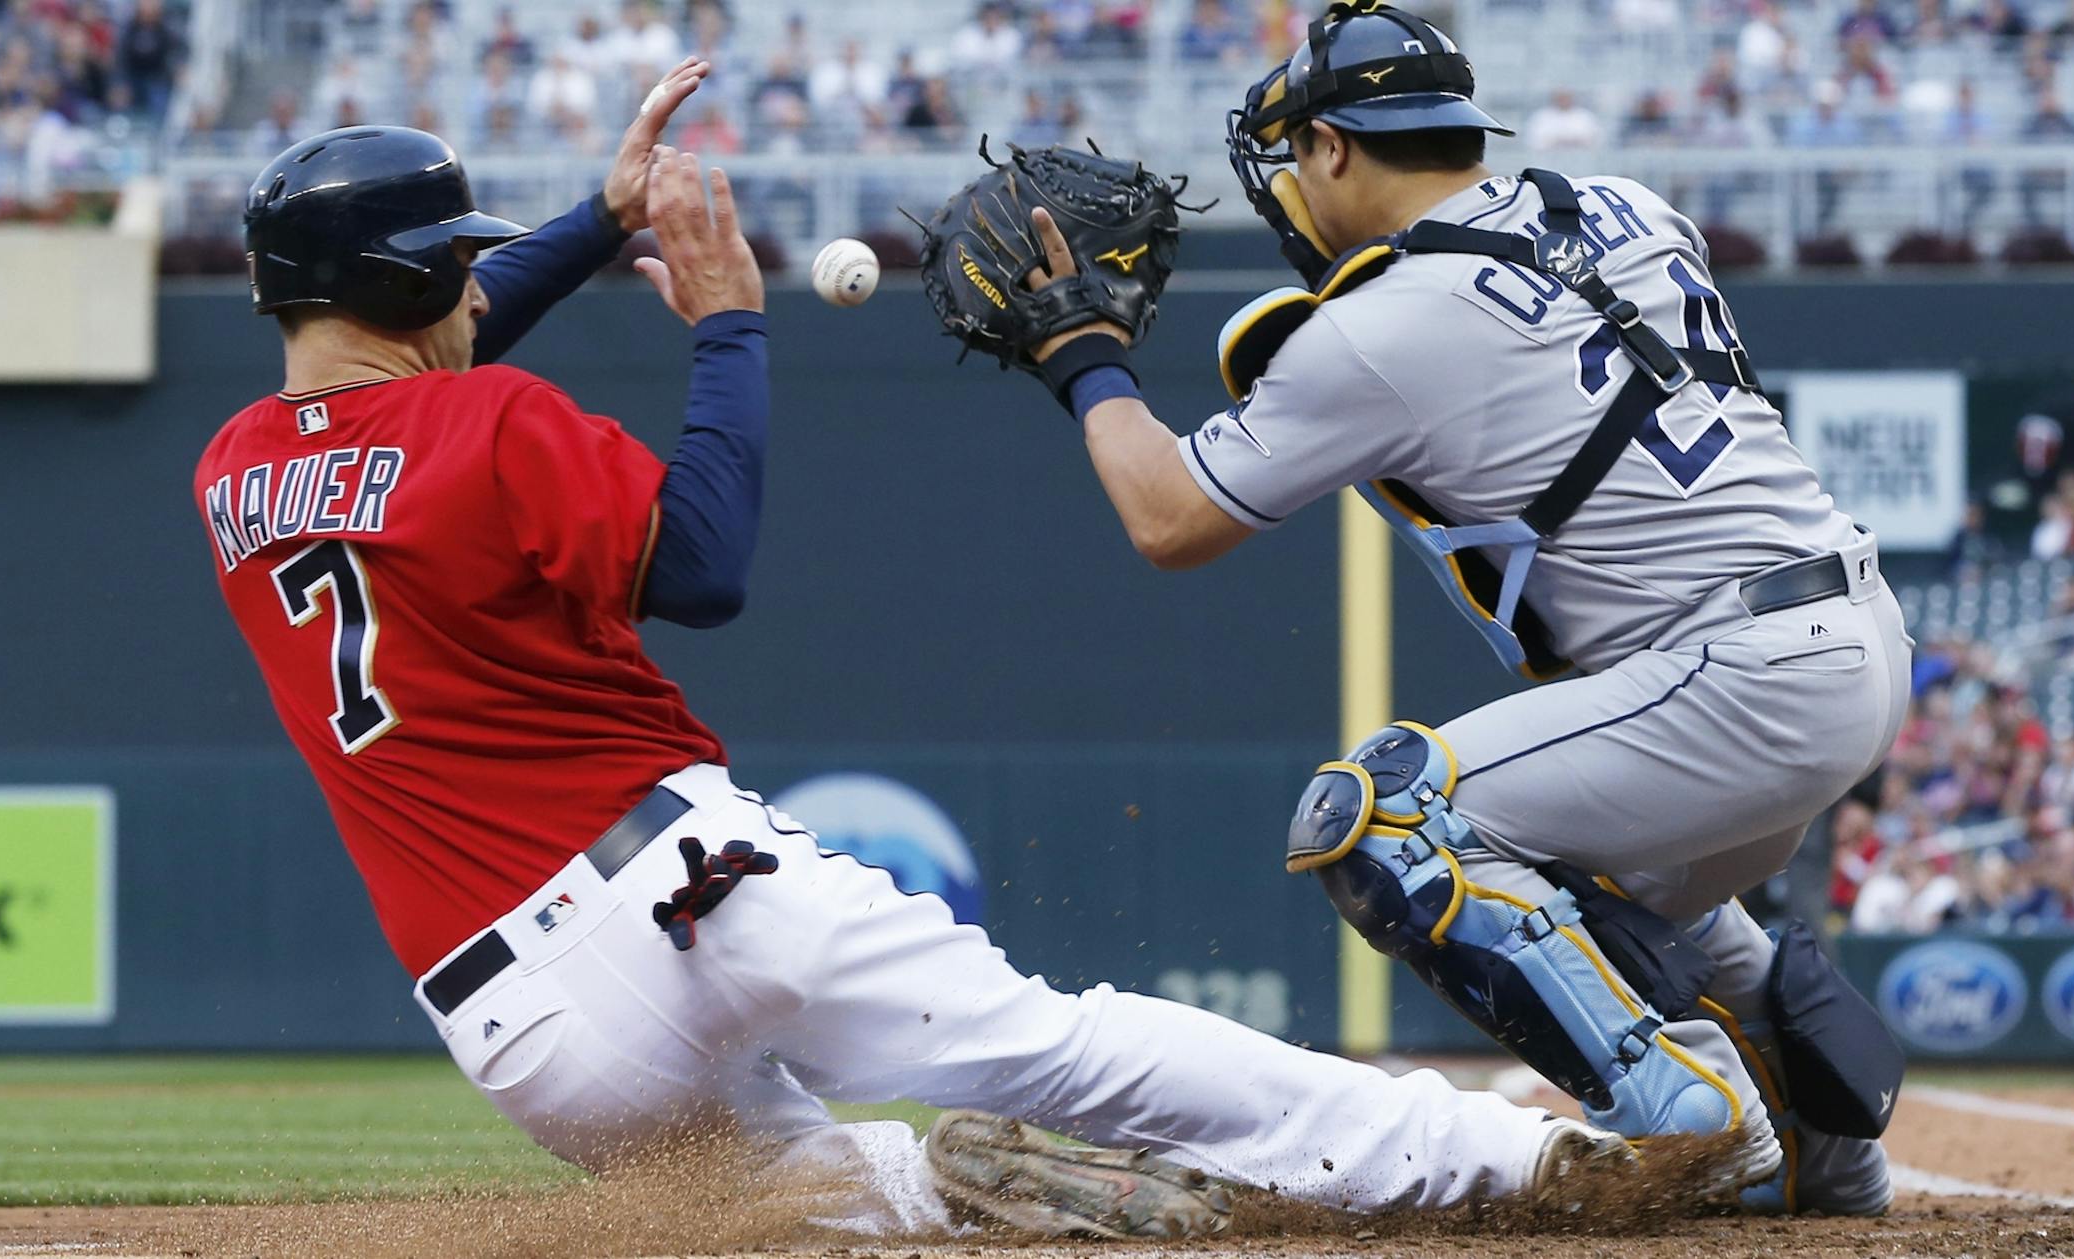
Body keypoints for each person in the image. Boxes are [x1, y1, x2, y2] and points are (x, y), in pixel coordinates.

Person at [194, 57, 1622, 1241]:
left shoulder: (234, 476)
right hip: (674, 897)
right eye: (455, 262)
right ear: (404, 283)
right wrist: (730, 325)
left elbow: (415, 366)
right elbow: (698, 567)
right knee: (1057, 1042)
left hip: (526, 1036)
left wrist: (592, 219)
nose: (472, 285)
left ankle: (932, 1178)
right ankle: (1505, 1155)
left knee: (818, 1201)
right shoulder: (489, 424)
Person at [1001, 1, 1912, 1221]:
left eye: (1290, 157)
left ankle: (1688, 1114)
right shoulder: (1630, 206)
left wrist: (1083, 355)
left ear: (1332, 147)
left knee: (1382, 815)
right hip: (1839, 636)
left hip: (1734, 671)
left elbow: (1171, 519)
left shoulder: (1383, 327)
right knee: (1609, 897)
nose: (1287, 189)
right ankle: (1830, 1157)